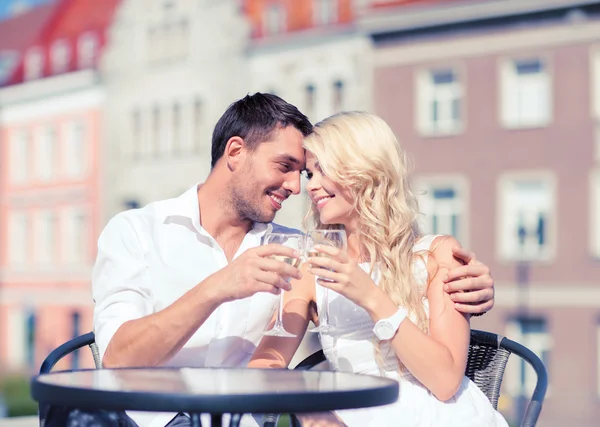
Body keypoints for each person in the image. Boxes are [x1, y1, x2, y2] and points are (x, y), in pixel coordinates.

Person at [45, 94, 495, 427]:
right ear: (236, 153)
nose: (301, 187)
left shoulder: (307, 252)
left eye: (311, 171)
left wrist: (474, 284)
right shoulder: (137, 232)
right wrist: (220, 286)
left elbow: (443, 374)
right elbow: (121, 358)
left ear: (364, 172)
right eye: (291, 168)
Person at [248, 111, 508, 427]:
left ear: (364, 171)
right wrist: (311, 411)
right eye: (309, 174)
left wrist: (371, 297)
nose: (311, 187)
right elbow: (265, 366)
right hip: (351, 415)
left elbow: (445, 382)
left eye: (323, 171)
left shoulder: (435, 255)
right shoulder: (313, 267)